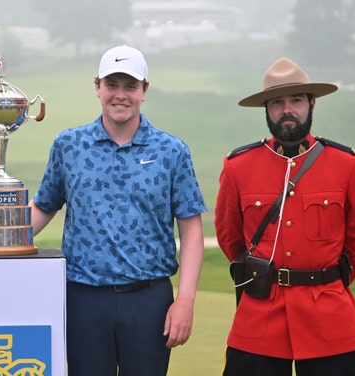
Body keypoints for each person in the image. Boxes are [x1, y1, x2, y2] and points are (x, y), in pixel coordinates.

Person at [28, 45, 207, 376]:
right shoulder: (69, 145)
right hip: (83, 297)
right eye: (112, 85)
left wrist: (185, 301)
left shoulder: (171, 151)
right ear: (97, 86)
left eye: (130, 86)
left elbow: (191, 230)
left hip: (149, 298)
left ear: (144, 91)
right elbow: (43, 206)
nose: (120, 95)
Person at [214, 57, 355, 376]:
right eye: (277, 102)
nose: (287, 109)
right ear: (266, 109)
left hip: (331, 319)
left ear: (311, 103)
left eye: (296, 100)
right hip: (260, 321)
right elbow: (230, 238)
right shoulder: (238, 167)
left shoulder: (348, 164)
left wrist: (326, 279)